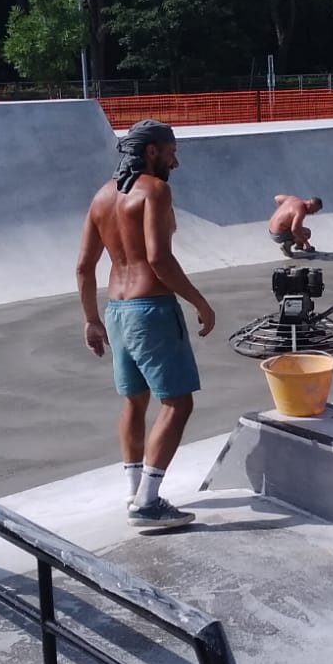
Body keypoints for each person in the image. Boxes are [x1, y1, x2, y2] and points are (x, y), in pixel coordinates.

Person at [76, 119, 216, 530]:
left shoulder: (102, 197)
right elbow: (158, 259)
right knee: (178, 402)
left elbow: (84, 267)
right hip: (151, 309)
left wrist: (91, 319)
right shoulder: (155, 190)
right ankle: (149, 502)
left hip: (117, 311)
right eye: (171, 150)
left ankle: (134, 489)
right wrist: (200, 302)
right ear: (152, 151)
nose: (176, 159)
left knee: (134, 400)